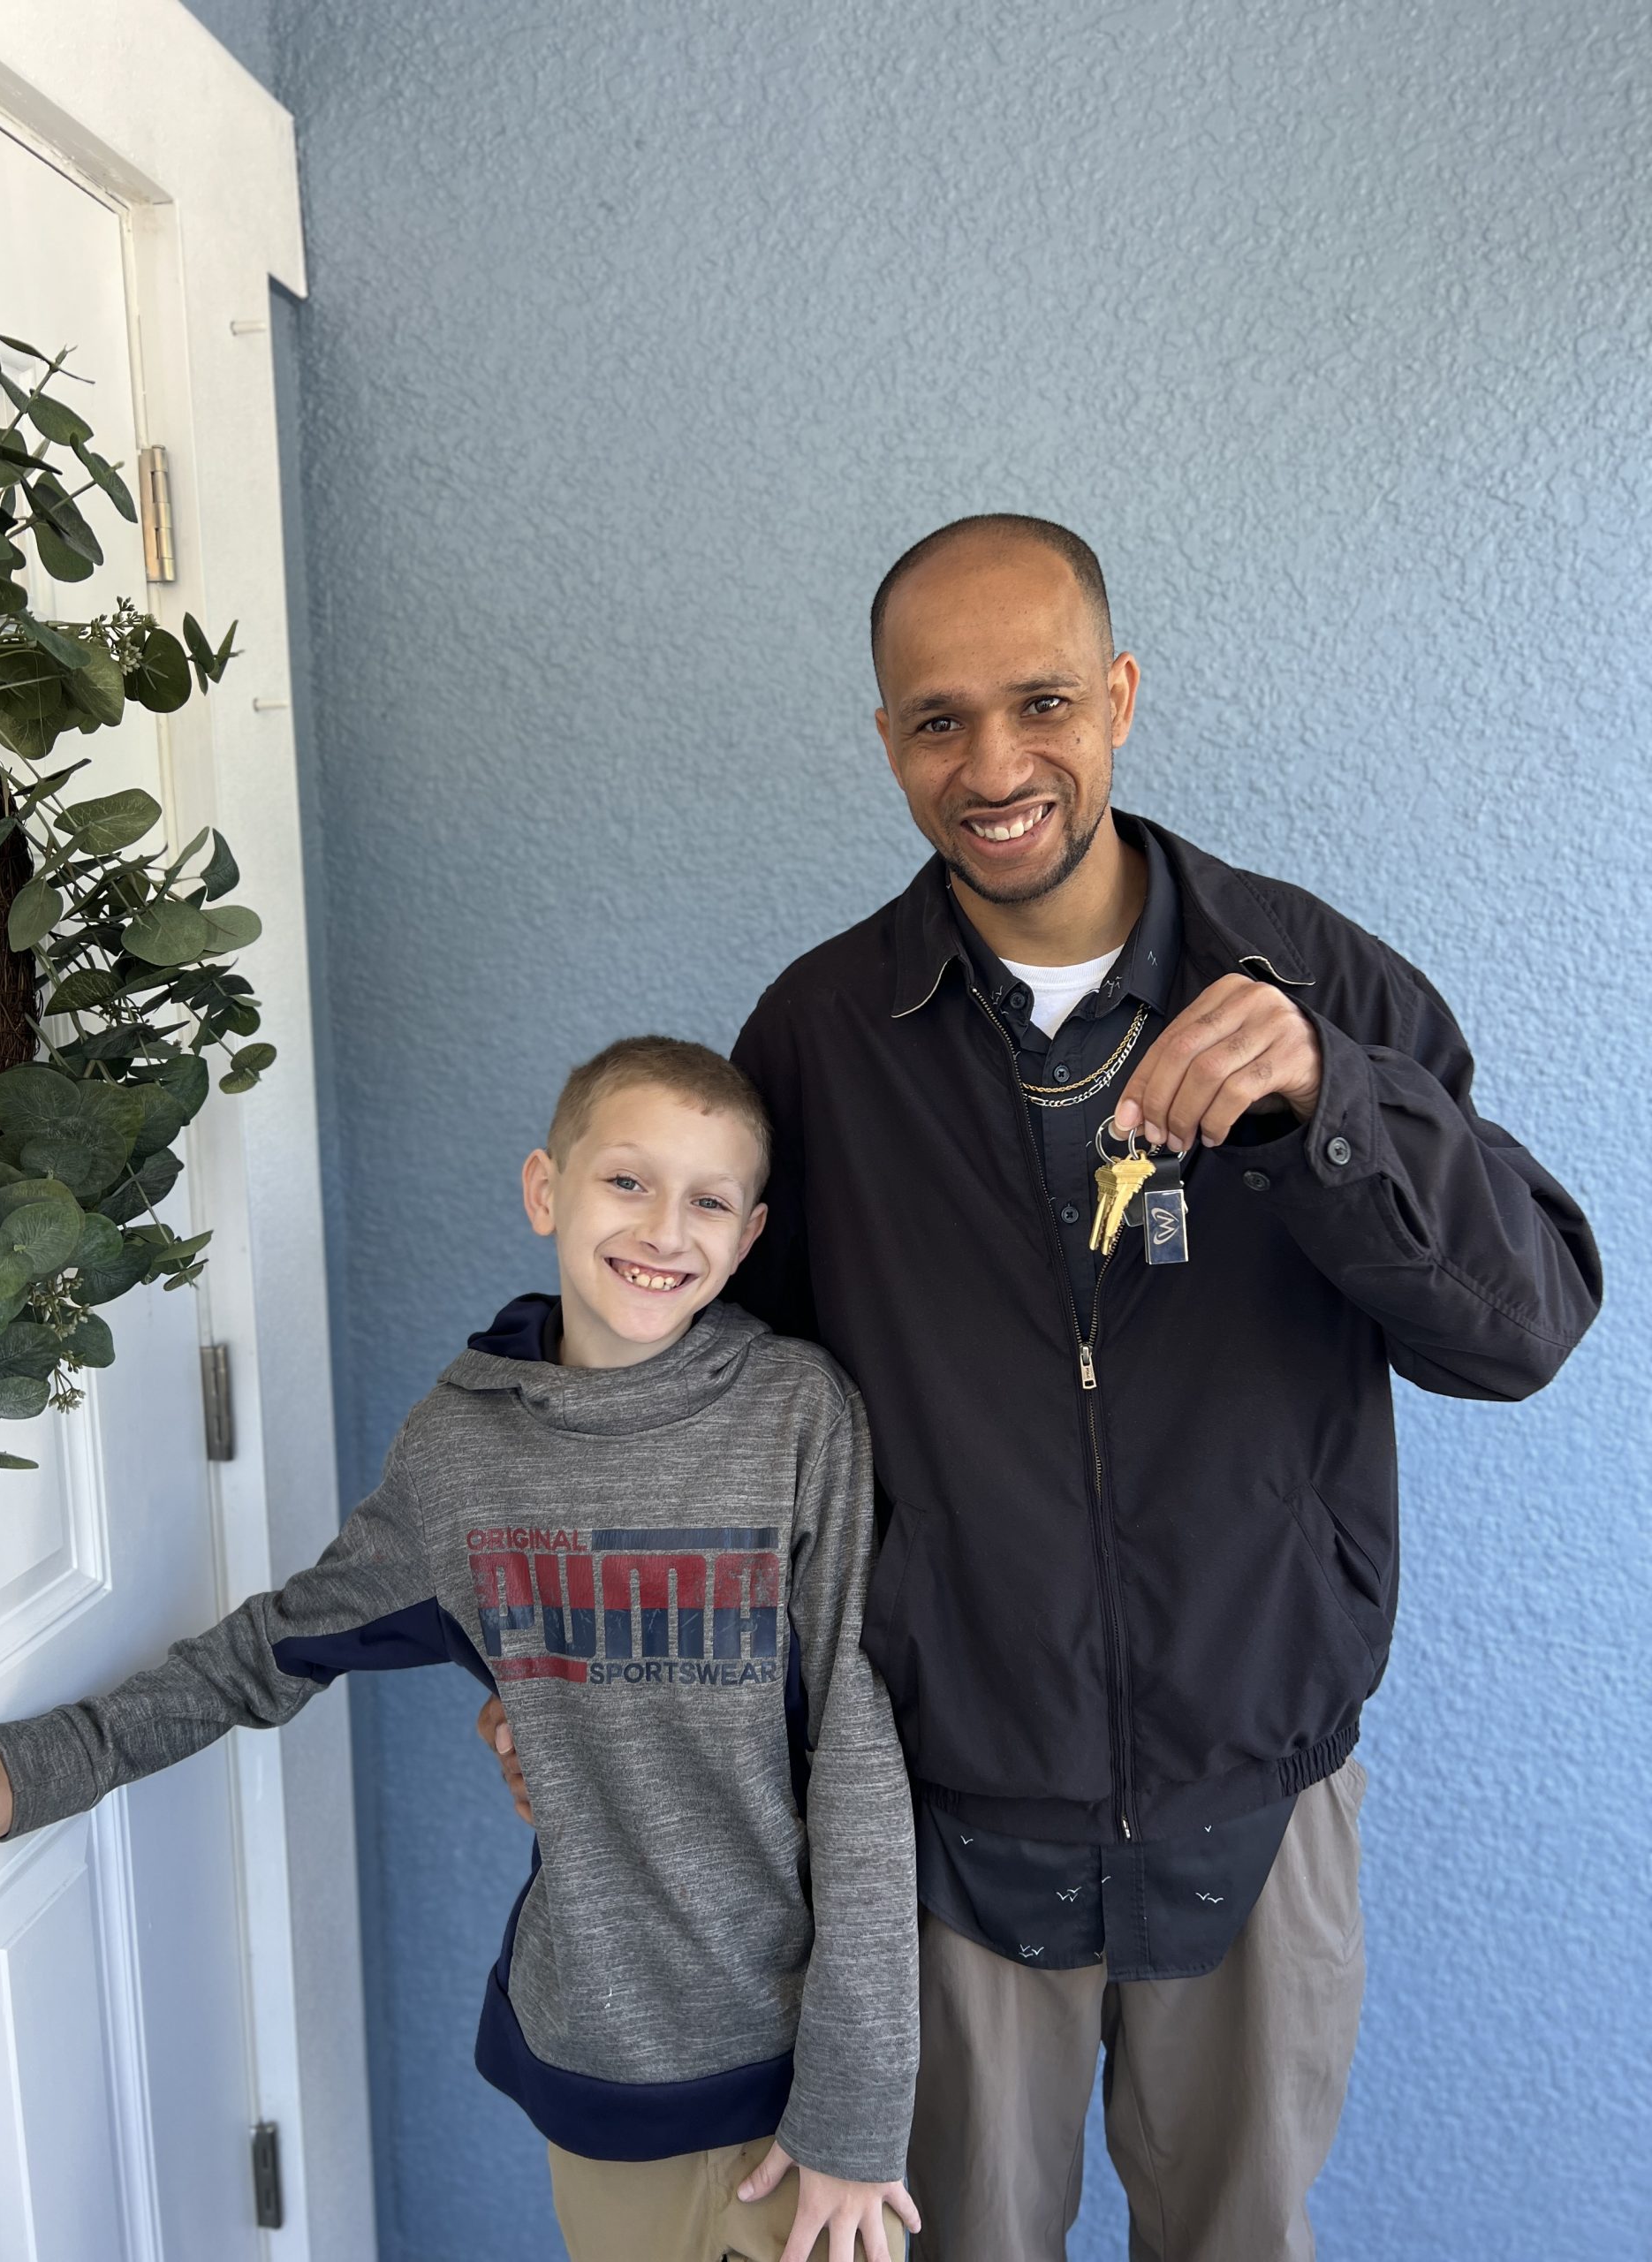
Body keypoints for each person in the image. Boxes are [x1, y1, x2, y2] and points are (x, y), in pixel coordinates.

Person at [466, 515, 1602, 2262]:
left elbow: (1521, 1324)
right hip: (939, 1818)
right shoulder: (823, 1034)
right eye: (937, 719)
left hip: (1262, 1782)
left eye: (1042, 700)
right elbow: (717, 1405)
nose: (994, 766)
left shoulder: (1318, 980)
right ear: (885, 740)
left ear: (1122, 695)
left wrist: (1334, 1099)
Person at [0, 1036, 921, 2262]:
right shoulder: (461, 1456)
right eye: (627, 1180)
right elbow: (276, 1647)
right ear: (544, 1190)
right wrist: (33, 1763)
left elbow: (858, 1755)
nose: (666, 1228)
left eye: (710, 1200)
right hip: (604, 2060)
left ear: (750, 1232)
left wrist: (858, 2107)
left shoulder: (799, 1415)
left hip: (809, 2070)